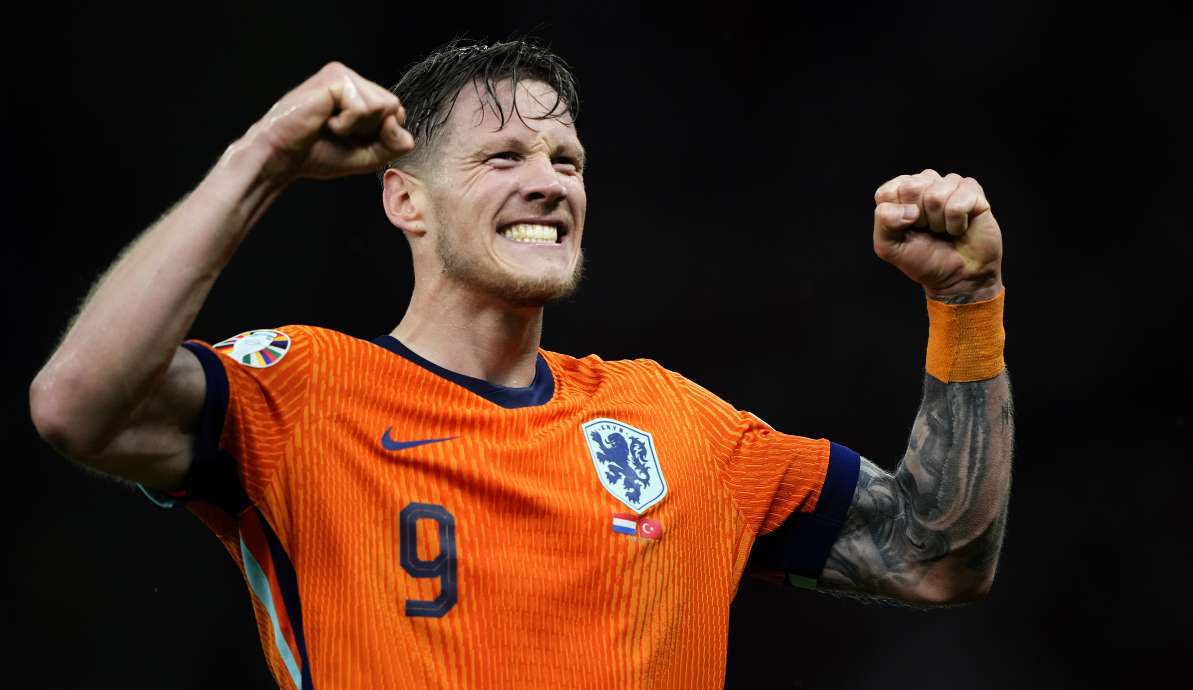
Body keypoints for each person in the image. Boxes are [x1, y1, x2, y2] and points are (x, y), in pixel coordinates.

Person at [30, 39, 1014, 689]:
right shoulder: (300, 393)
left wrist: (964, 304)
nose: (547, 182)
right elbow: (80, 407)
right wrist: (261, 160)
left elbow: (935, 556)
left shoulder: (679, 428)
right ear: (404, 201)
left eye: (567, 161)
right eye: (502, 157)